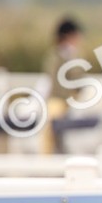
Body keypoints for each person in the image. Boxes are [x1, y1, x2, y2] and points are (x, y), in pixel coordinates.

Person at [40, 17, 84, 152]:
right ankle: (46, 157)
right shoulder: (56, 56)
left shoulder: (75, 55)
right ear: (68, 36)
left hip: (76, 99)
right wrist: (69, 95)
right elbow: (54, 79)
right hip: (59, 99)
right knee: (51, 121)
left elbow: (80, 77)